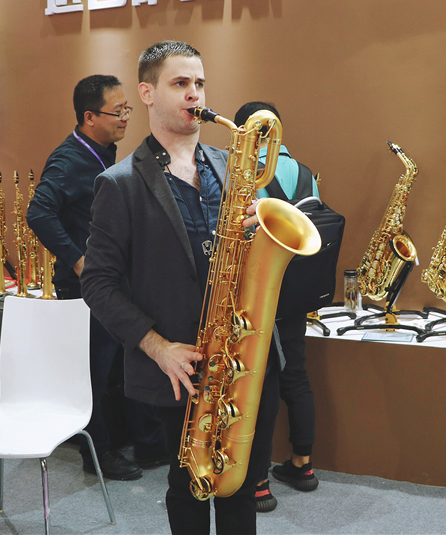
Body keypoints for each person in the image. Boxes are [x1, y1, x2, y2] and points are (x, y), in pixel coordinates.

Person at [82, 41, 274, 534]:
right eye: (180, 83)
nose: (195, 94)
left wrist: (260, 229)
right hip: (181, 366)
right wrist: (157, 346)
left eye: (200, 83)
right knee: (189, 485)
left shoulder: (233, 166)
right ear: (147, 93)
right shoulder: (119, 183)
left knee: (243, 486)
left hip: (243, 355)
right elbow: (97, 283)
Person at [26, 75, 166, 481]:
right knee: (94, 374)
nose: (126, 117)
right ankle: (97, 454)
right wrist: (78, 261)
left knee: (130, 361)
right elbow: (39, 213)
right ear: (90, 117)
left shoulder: (105, 153)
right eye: (117, 111)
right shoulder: (68, 160)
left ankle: (148, 443)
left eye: (127, 109)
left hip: (116, 283)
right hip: (85, 288)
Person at [233, 102, 321, 513]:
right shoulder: (305, 173)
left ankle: (258, 483)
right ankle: (303, 465)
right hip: (296, 292)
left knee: (257, 385)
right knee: (296, 375)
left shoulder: (242, 174)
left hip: (258, 295)